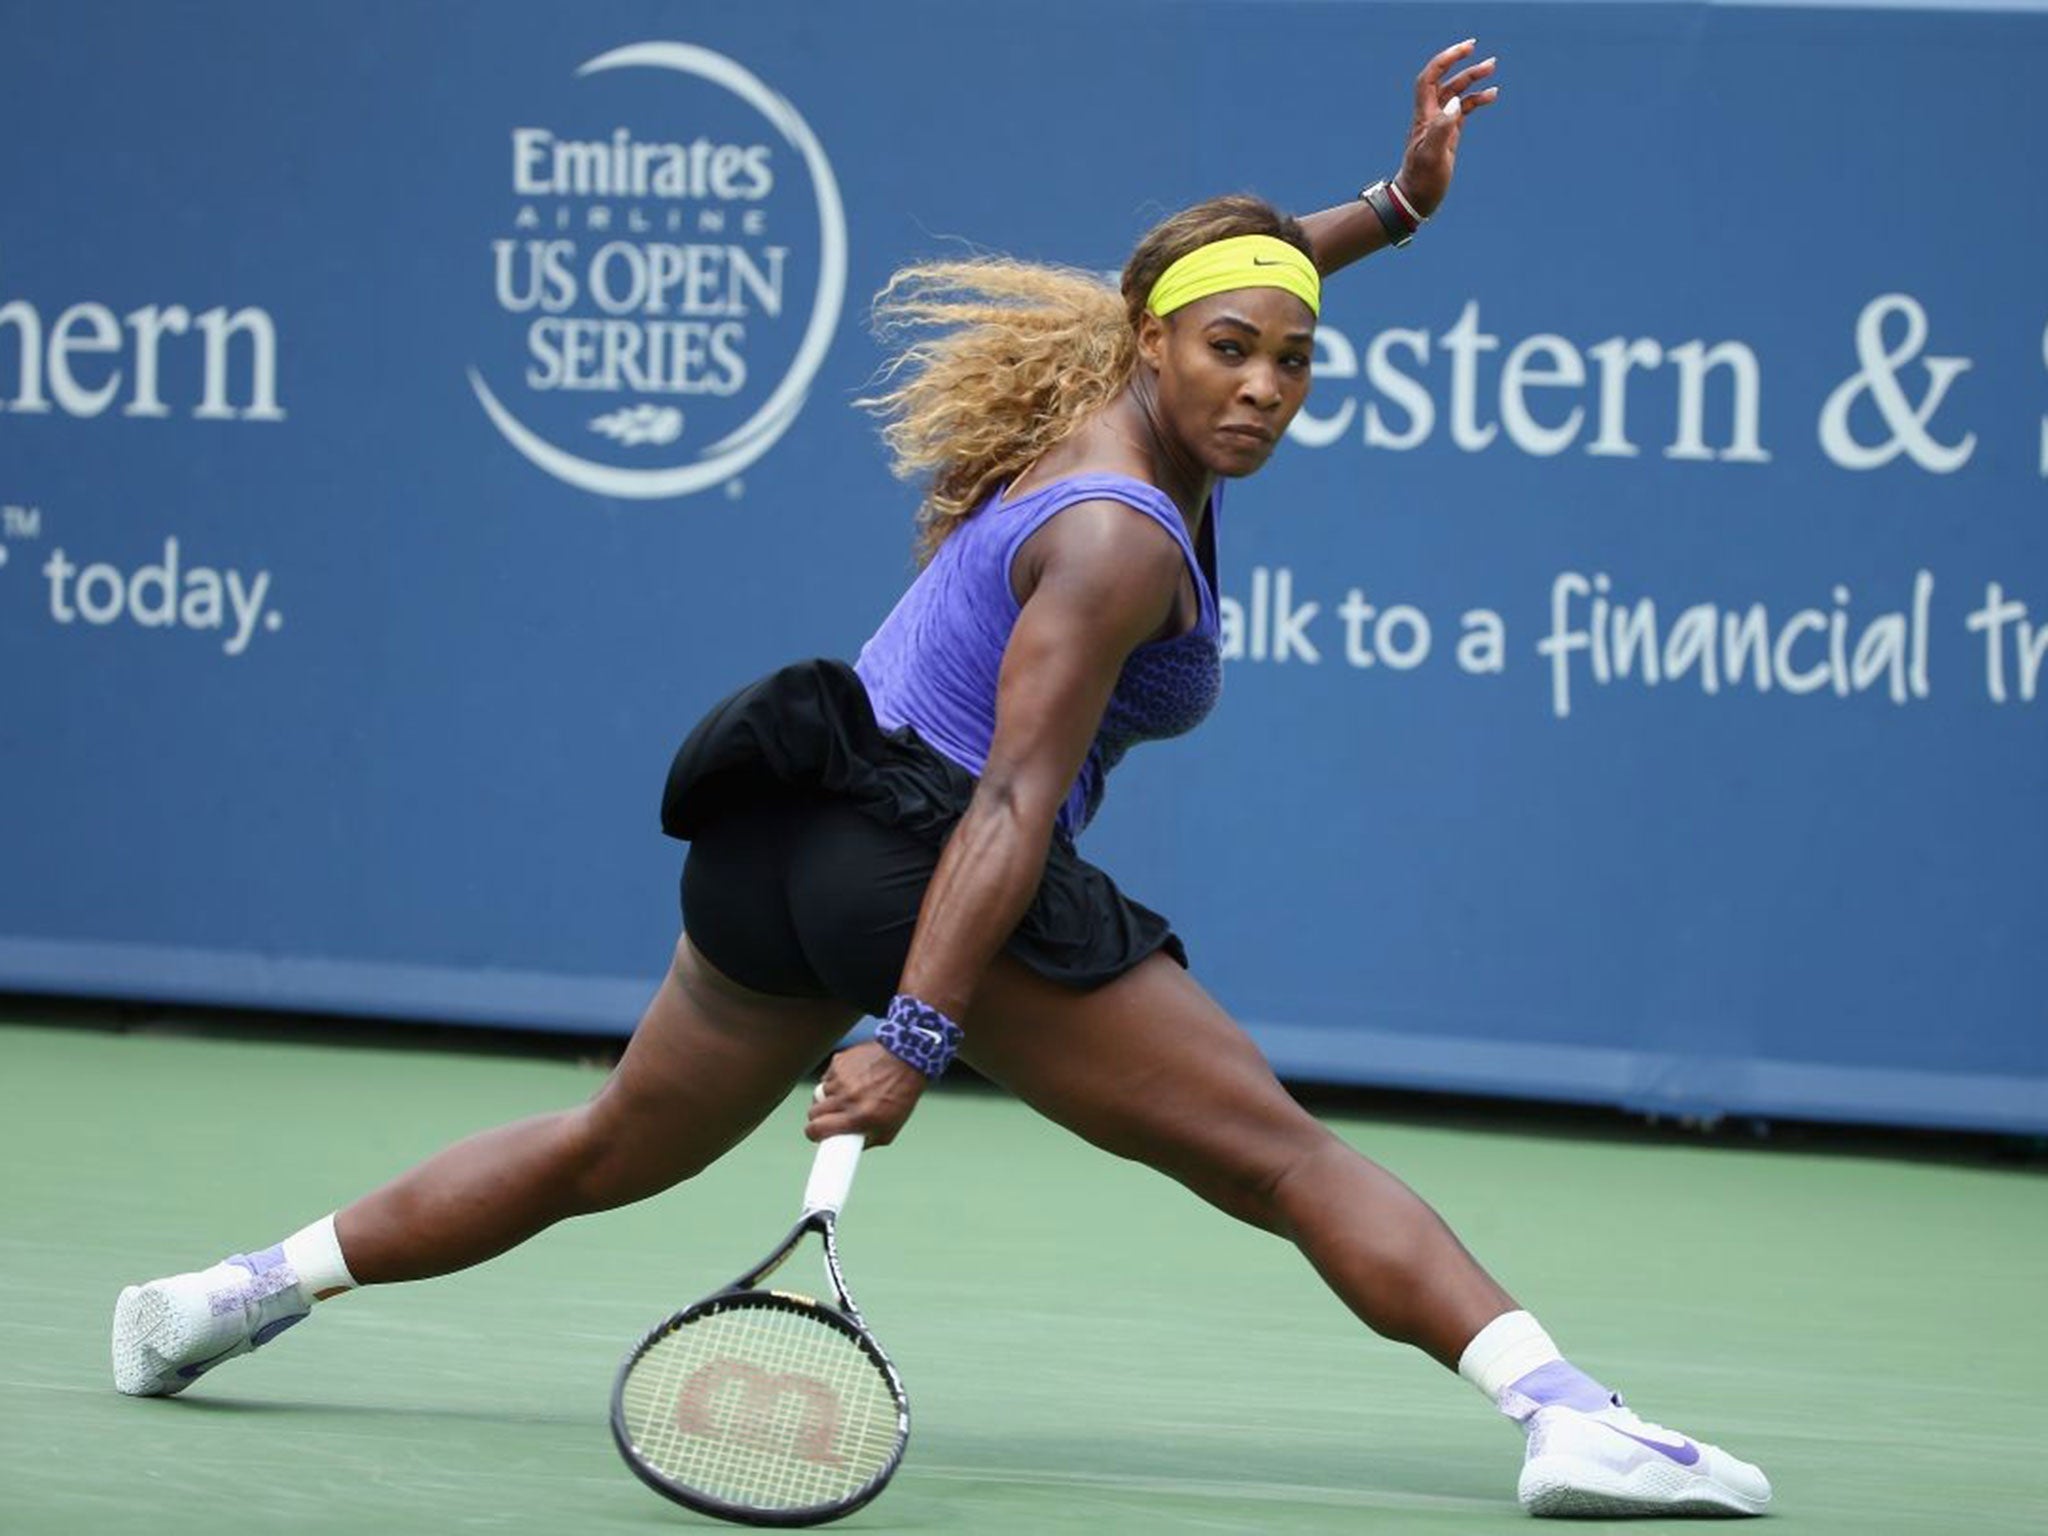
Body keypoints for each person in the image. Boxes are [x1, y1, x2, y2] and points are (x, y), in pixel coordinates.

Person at [111, 40, 1770, 1519]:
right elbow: (1008, 808)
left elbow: (1251, 278)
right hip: (920, 857)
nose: (1263, 386)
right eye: (1230, 356)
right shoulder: (1118, 537)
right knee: (1279, 1158)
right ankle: (1567, 1419)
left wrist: (1392, 210)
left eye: (1292, 358)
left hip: (777, 837)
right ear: (1154, 345)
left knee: (611, 1144)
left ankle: (229, 1294)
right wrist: (914, 1034)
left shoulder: (1106, 389)